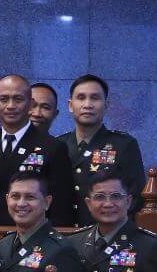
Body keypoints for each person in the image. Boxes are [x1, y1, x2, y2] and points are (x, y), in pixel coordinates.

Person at [0, 74, 75, 226]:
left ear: (30, 104)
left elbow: (61, 208)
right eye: (4, 99)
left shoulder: (53, 147)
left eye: (18, 99)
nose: (10, 106)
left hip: (33, 239)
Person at [60, 73, 144, 226]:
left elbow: (136, 196)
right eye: (81, 97)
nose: (87, 104)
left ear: (106, 105)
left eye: (95, 98)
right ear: (71, 105)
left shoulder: (124, 144)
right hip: (64, 234)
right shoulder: (59, 145)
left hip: (106, 234)